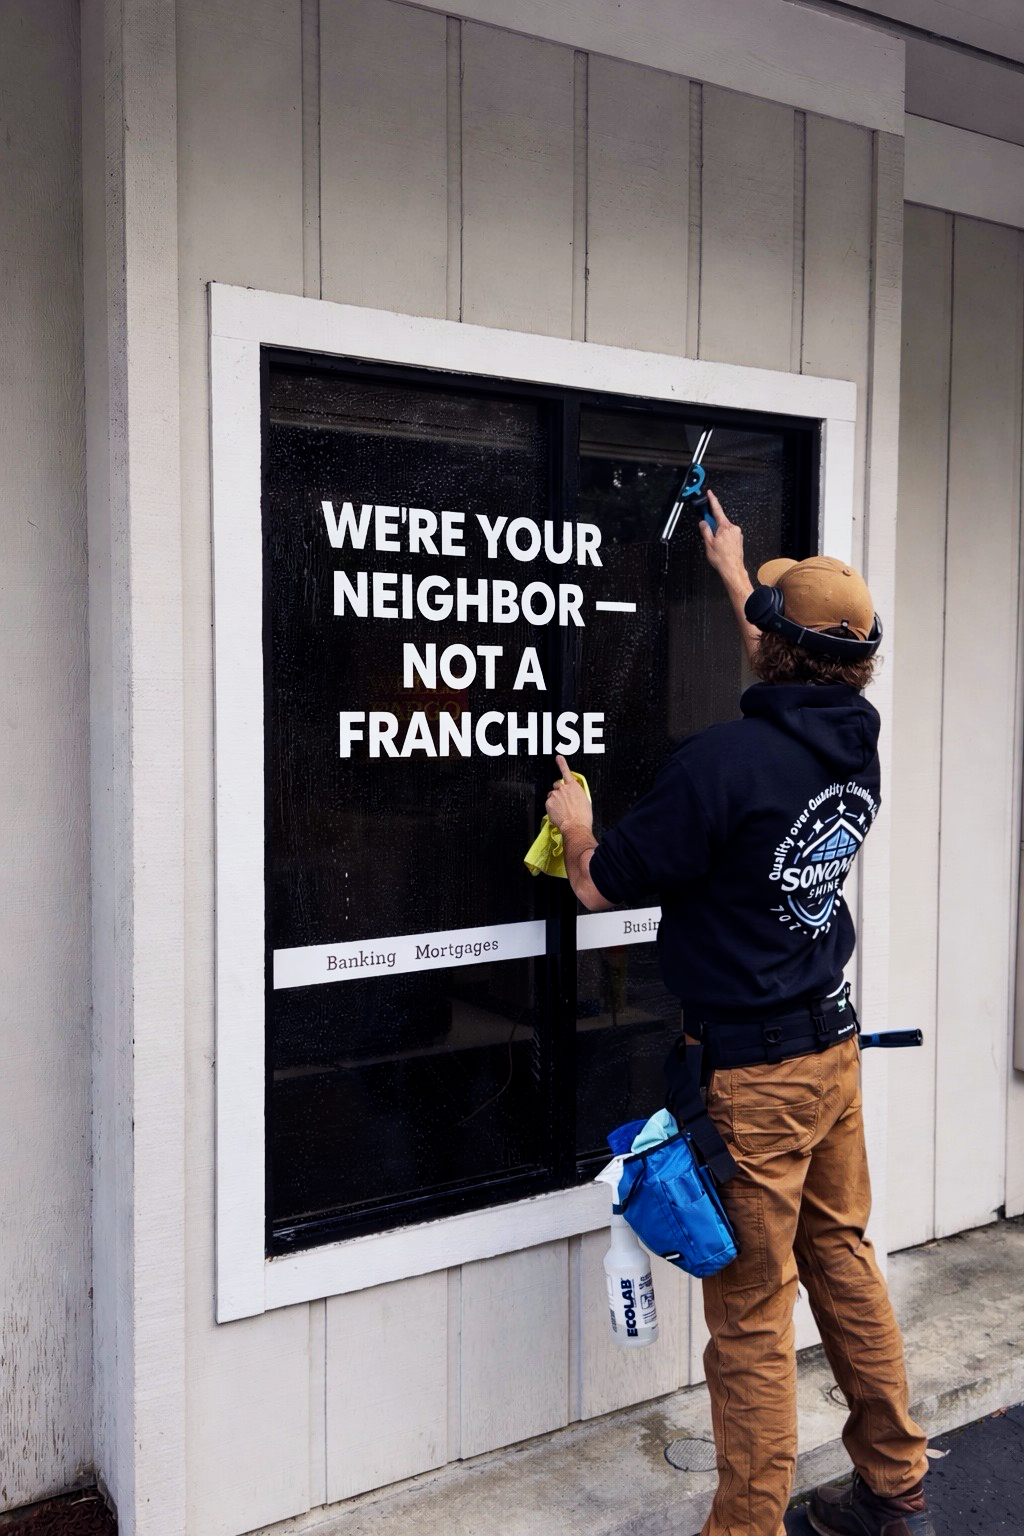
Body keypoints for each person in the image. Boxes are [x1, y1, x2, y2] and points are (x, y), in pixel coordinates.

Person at [545, 491, 933, 1536]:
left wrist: (576, 823)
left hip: (752, 1082)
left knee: (753, 1323)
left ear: (776, 654)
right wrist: (736, 571)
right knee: (843, 1257)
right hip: (829, 1053)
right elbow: (791, 652)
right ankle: (896, 1488)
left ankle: (746, 1527)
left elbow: (598, 886)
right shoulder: (856, 744)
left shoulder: (719, 766)